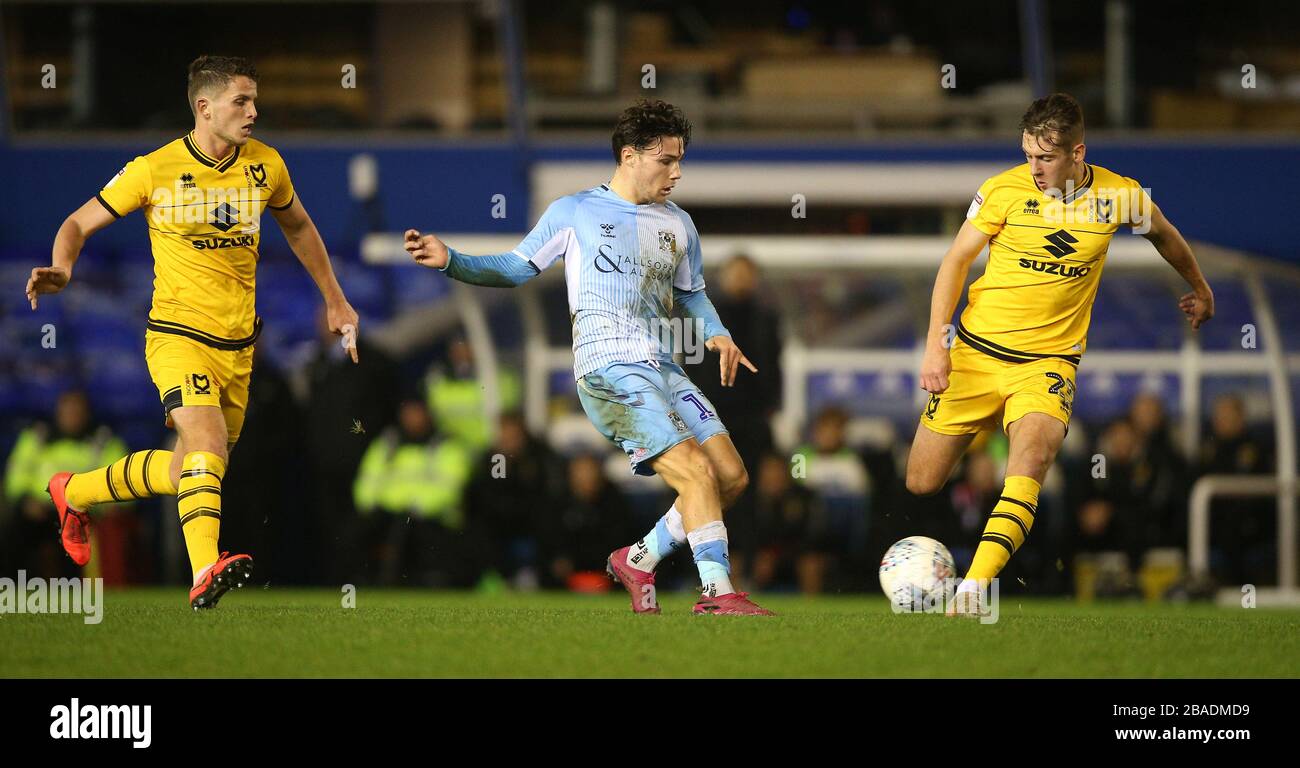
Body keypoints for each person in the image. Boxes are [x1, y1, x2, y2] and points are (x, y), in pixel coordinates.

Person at [404, 100, 772, 615]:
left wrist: (717, 333)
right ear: (629, 155)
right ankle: (717, 591)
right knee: (693, 471)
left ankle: (638, 559)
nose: (677, 171)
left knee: (729, 476)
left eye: (680, 159)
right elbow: (515, 267)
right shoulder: (574, 211)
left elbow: (692, 292)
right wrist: (452, 261)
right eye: (666, 160)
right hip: (609, 368)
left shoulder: (679, 225)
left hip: (664, 368)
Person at [24, 55, 360, 609]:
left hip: (239, 346)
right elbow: (78, 222)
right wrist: (64, 267)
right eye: (241, 102)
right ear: (204, 108)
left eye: (254, 101)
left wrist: (335, 299)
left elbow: (298, 226)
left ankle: (74, 490)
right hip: (179, 337)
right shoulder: (153, 170)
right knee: (205, 445)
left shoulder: (266, 166)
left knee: (192, 470)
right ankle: (205, 569)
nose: (254, 111)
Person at [904, 93, 1215, 615]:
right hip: (977, 354)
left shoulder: (1121, 197)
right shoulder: (1002, 191)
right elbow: (955, 261)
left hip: (1048, 364)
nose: (1034, 168)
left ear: (1078, 153)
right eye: (1028, 155)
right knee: (921, 481)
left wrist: (1200, 287)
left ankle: (974, 590)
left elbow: (1165, 235)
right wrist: (938, 345)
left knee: (1033, 458)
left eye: (1045, 157)